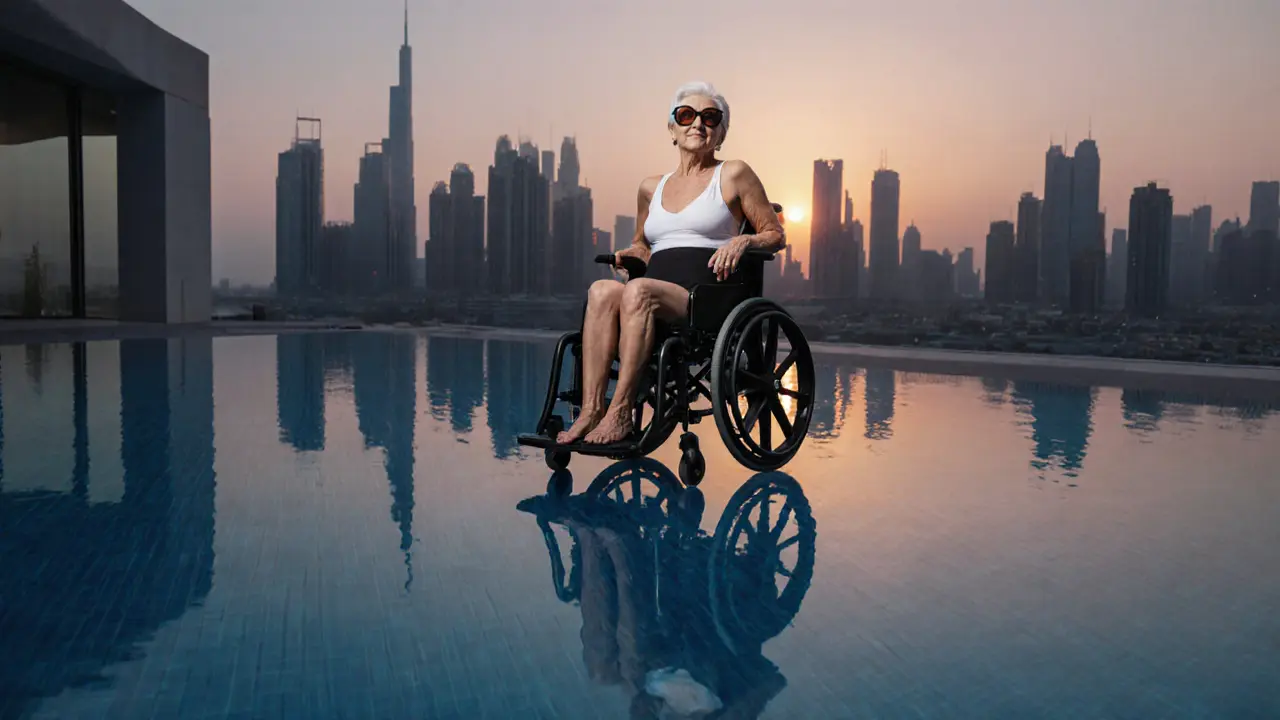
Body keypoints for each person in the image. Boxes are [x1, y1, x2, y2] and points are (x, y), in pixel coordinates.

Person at [557, 81, 785, 445]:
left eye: (710, 117)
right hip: (651, 289)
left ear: (721, 133)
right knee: (600, 290)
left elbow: (774, 234)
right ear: (672, 129)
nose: (698, 123)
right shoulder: (651, 187)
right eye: (686, 115)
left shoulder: (733, 174)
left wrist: (744, 239)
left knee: (638, 292)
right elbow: (642, 243)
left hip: (707, 297)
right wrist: (634, 252)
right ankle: (592, 409)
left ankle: (621, 413)